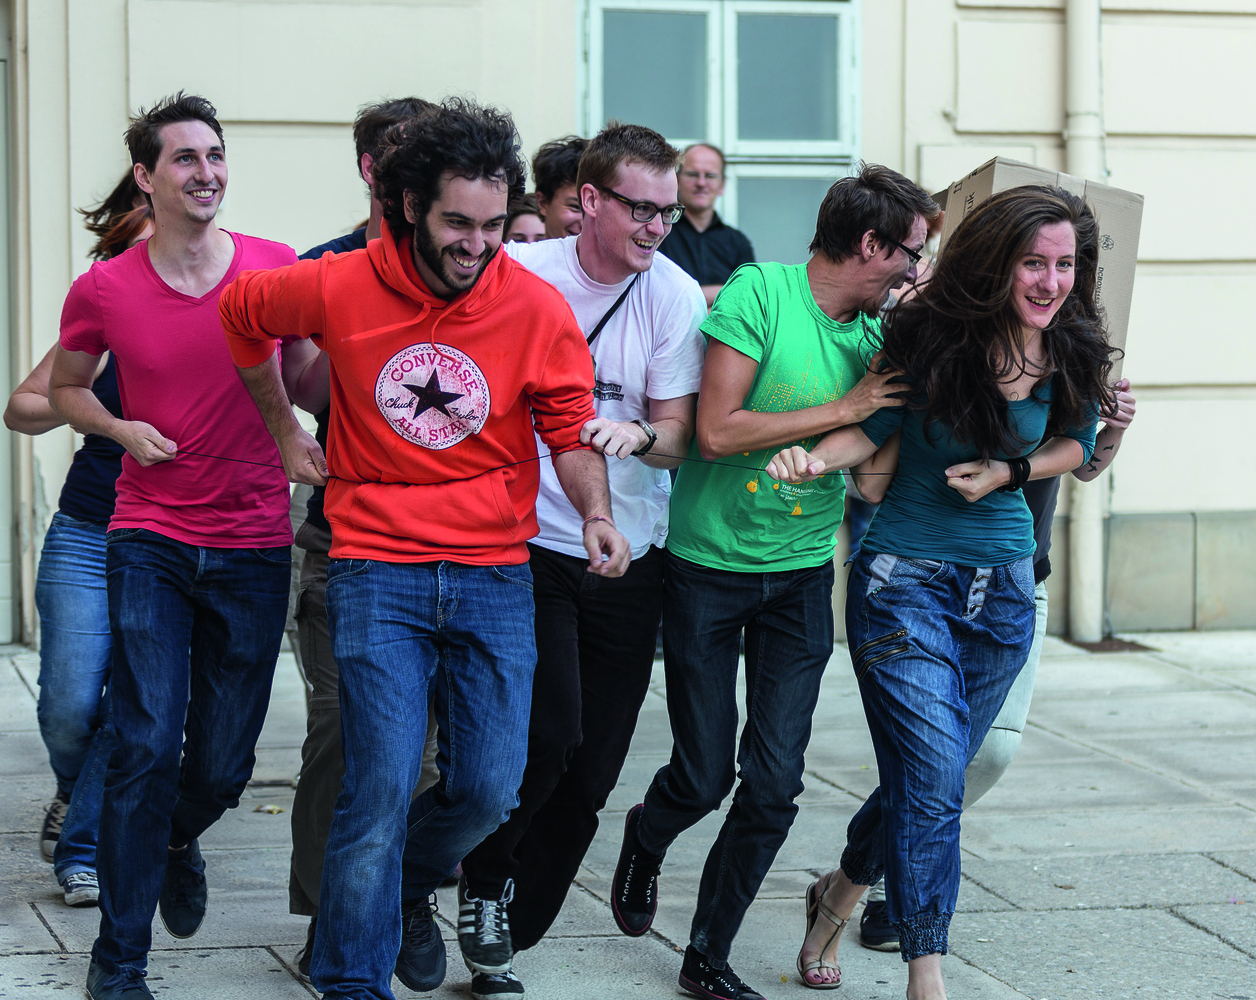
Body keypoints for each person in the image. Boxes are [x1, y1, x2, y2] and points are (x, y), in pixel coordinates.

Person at [219, 97, 631, 1000]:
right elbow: (242, 315)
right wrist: (286, 431)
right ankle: (349, 979)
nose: (477, 243)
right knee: (379, 782)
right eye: (457, 222)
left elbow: (566, 426)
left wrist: (596, 512)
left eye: (492, 224)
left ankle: (403, 887)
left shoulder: (534, 306)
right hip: (375, 567)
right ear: (411, 205)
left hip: (493, 572)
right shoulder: (336, 283)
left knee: (489, 788)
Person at [767, 185, 1117, 999]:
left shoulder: (1073, 344)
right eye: (1034, 261)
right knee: (931, 783)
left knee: (931, 778)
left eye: (1064, 264)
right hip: (903, 586)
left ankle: (838, 894)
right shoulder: (927, 338)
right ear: (997, 262)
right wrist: (814, 458)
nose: (1050, 280)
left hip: (1003, 600)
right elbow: (871, 427)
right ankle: (929, 974)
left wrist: (1011, 470)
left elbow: (1079, 441)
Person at [609, 163, 937, 1000]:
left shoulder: (878, 342)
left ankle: (706, 956)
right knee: (704, 773)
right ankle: (649, 831)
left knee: (774, 786)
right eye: (909, 254)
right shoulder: (760, 292)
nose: (911, 270)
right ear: (870, 244)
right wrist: (849, 405)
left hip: (797, 582)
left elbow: (866, 481)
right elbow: (716, 432)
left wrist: (924, 391)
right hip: (706, 572)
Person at [48, 93, 300, 1000]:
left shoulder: (273, 270)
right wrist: (119, 428)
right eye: (185, 159)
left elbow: (312, 368)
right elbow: (66, 391)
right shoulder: (106, 286)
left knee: (225, 767)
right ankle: (118, 964)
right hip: (148, 533)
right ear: (147, 179)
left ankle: (172, 833)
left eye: (216, 156)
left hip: (254, 540)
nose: (206, 173)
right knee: (146, 741)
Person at [455, 122, 705, 997]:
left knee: (596, 767)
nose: (655, 227)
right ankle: (482, 888)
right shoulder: (520, 275)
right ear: (588, 202)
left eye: (668, 212)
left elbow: (681, 440)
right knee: (547, 735)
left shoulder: (673, 296)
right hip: (526, 541)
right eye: (640, 208)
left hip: (631, 555)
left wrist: (640, 433)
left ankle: (511, 935)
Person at [854, 379, 1137, 950]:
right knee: (931, 762)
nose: (1050, 284)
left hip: (1015, 579)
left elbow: (1082, 465)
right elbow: (870, 475)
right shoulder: (944, 343)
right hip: (923, 570)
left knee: (981, 757)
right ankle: (895, 893)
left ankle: (845, 884)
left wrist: (1116, 425)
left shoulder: (1067, 352)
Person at [278, 95, 441, 979]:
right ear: (370, 171)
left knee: (421, 750)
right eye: (392, 158)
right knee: (342, 734)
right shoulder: (327, 265)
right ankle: (328, 910)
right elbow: (304, 389)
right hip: (340, 540)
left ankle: (401, 897)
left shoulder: (468, 263)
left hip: (442, 545)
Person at [4, 175, 152, 909]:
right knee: (68, 702)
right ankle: (75, 790)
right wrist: (85, 403)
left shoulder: (226, 303)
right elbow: (22, 406)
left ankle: (82, 846)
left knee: (134, 703)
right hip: (89, 530)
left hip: (168, 536)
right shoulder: (102, 312)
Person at [657, 143, 755, 307]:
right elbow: (656, 296)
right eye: (693, 174)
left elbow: (748, 300)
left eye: (710, 175)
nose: (701, 183)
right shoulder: (659, 232)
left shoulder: (738, 243)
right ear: (677, 180)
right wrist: (721, 292)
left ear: (722, 185)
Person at [532, 136, 587, 239]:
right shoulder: (519, 254)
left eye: (595, 209)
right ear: (543, 203)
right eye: (575, 207)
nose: (585, 222)